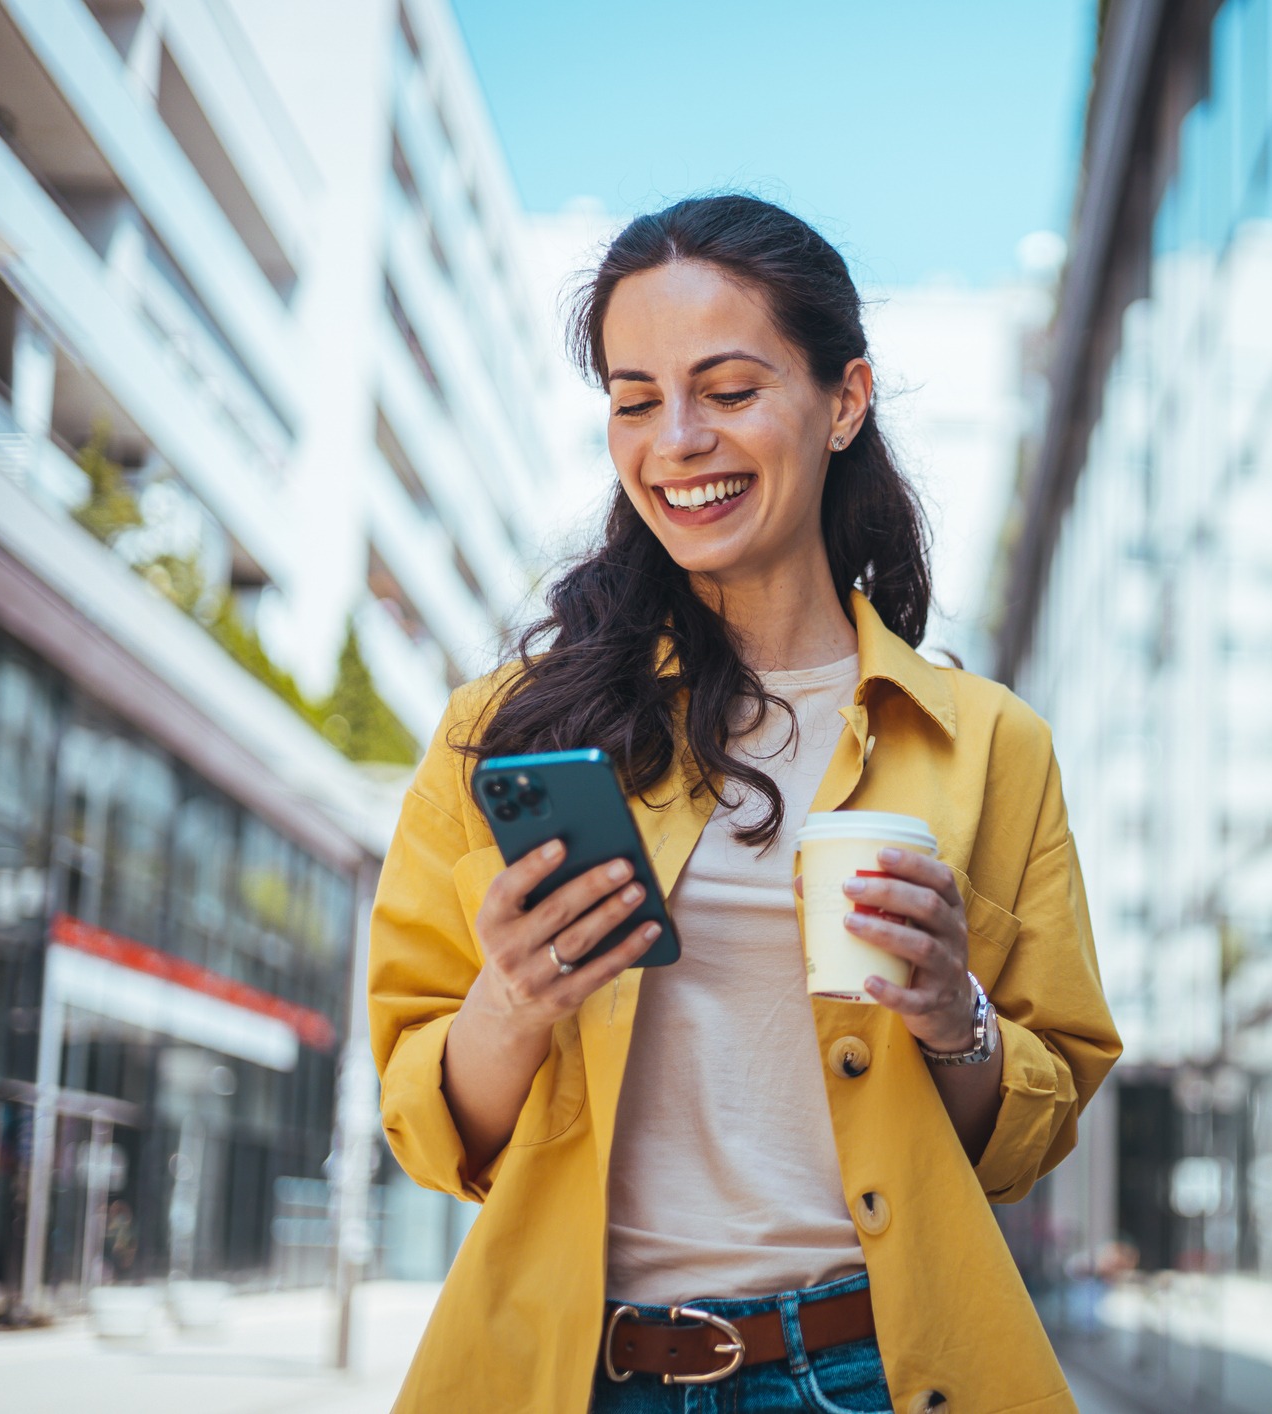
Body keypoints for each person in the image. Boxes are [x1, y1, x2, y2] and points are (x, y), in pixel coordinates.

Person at [368, 194, 1120, 1413]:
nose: (675, 440)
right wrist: (513, 998)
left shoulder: (989, 743)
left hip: (879, 1375)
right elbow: (425, 1126)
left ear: (844, 400)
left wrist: (954, 1012)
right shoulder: (504, 731)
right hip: (580, 1379)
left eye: (726, 391)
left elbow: (1034, 1129)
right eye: (633, 398)